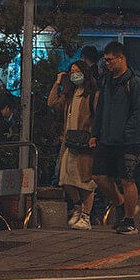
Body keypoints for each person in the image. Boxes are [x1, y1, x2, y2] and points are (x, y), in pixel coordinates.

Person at [91, 41, 140, 235]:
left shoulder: (134, 82)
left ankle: (130, 220)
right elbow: (100, 110)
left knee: (127, 179)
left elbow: (139, 112)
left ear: (121, 58)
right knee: (98, 176)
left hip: (127, 141)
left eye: (109, 60)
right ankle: (120, 204)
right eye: (105, 60)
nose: (107, 64)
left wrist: (126, 133)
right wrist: (95, 133)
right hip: (106, 139)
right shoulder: (107, 81)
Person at [48, 59, 98, 229]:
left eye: (77, 71)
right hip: (69, 143)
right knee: (65, 178)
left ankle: (86, 215)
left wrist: (95, 136)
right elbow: (52, 103)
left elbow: (99, 117)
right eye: (72, 71)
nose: (74, 74)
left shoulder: (92, 94)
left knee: (85, 180)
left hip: (85, 143)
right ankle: (78, 206)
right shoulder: (69, 94)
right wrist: (57, 82)